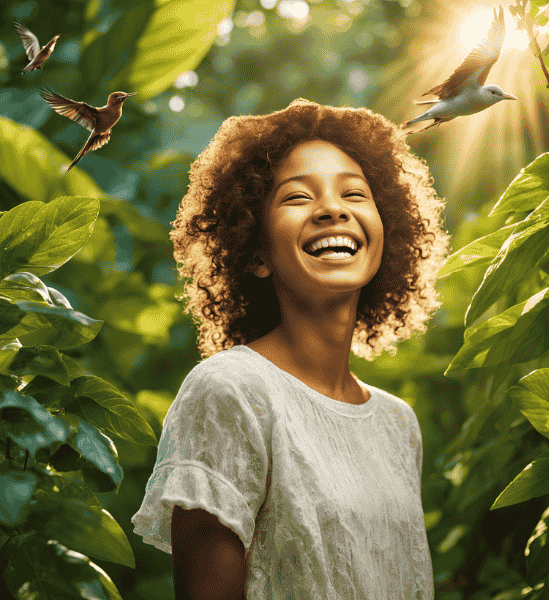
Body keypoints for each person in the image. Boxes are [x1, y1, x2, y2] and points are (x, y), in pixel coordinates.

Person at [131, 98, 449, 600]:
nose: (332, 209)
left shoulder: (398, 423)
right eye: (298, 197)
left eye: (355, 193)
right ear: (256, 252)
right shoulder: (231, 392)